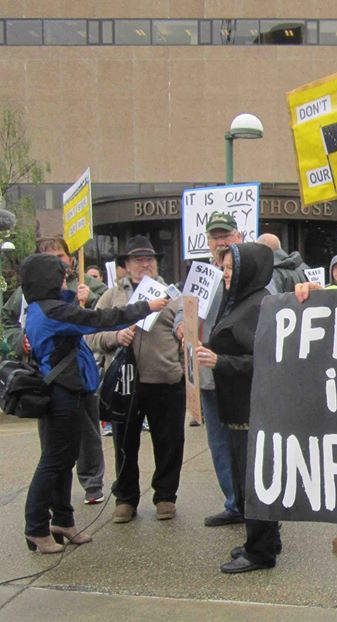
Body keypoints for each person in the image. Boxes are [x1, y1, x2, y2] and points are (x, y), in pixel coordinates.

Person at [19, 252, 167, 553]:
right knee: (54, 461)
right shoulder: (52, 311)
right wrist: (146, 307)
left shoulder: (42, 308)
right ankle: (36, 527)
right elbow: (99, 319)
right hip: (62, 392)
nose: (65, 280)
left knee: (63, 460)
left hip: (66, 390)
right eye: (60, 275)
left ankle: (62, 520)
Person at [85, 236, 186, 524]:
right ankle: (126, 498)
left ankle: (166, 495)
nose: (145, 264)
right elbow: (89, 334)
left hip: (165, 380)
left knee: (169, 442)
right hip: (125, 383)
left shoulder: (173, 294)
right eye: (138, 259)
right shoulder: (110, 297)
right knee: (124, 444)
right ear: (125, 266)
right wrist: (115, 337)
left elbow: (188, 334)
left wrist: (181, 369)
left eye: (150, 259)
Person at [2, 236, 108, 504]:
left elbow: (105, 310)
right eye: (50, 257)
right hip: (47, 372)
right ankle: (56, 497)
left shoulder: (85, 283)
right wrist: (20, 340)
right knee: (54, 440)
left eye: (61, 255)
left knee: (87, 432)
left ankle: (92, 482)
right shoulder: (28, 291)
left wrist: (91, 297)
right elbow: (10, 320)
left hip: (82, 368)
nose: (58, 263)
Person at [195, 242, 280, 573]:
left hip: (251, 410)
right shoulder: (241, 302)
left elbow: (265, 361)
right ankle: (263, 541)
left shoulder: (258, 306)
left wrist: (220, 360)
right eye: (224, 268)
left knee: (253, 483)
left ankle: (260, 552)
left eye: (230, 268)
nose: (225, 274)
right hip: (236, 406)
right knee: (248, 480)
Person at [192, 212, 244, 527]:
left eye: (226, 235)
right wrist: (180, 330)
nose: (220, 241)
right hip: (210, 378)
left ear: (238, 236)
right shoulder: (199, 277)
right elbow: (180, 316)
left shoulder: (251, 272)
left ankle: (256, 505)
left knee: (247, 444)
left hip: (240, 376)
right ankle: (233, 503)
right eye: (215, 237)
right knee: (220, 444)